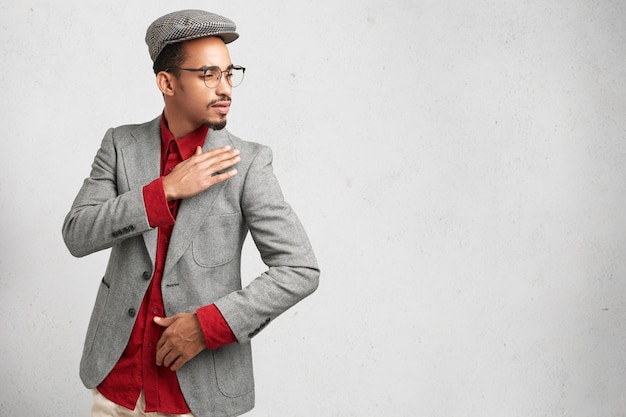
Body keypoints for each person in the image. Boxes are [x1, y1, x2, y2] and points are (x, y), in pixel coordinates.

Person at [62, 9, 319, 417]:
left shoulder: (248, 163)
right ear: (167, 82)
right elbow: (77, 234)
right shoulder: (120, 145)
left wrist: (208, 325)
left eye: (230, 74)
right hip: (116, 381)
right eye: (208, 74)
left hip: (197, 394)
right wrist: (163, 190)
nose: (226, 88)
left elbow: (300, 269)